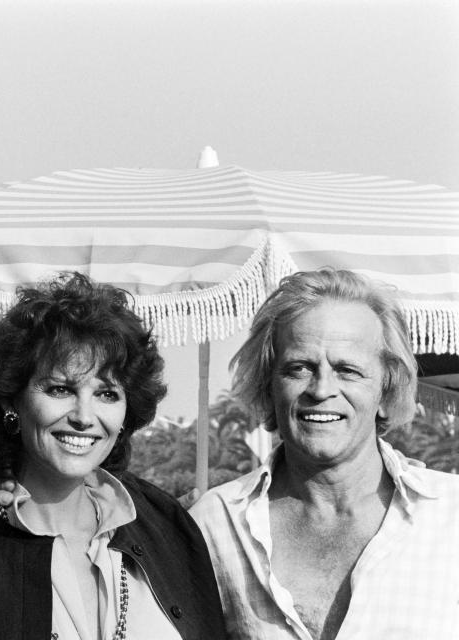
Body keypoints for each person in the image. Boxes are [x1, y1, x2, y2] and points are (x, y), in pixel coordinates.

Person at [0, 272, 226, 639]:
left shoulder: (167, 529)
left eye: (107, 394)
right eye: (60, 389)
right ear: (11, 401)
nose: (84, 417)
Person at [188, 268, 459, 640]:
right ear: (269, 385)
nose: (321, 389)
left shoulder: (450, 516)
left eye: (347, 370)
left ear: (387, 387)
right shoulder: (215, 523)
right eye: (299, 368)